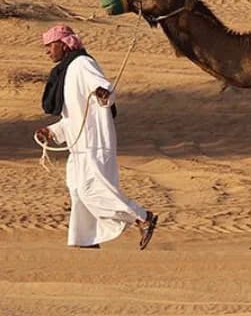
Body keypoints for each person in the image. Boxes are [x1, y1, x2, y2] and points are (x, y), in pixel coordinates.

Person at [34, 24, 158, 249]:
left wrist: (104, 93)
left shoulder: (82, 64)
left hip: (95, 142)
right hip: (78, 145)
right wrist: (52, 132)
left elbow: (104, 89)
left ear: (63, 44)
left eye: (50, 45)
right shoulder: (67, 71)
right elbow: (74, 115)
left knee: (91, 189)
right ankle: (86, 240)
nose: (47, 51)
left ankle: (142, 217)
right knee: (77, 190)